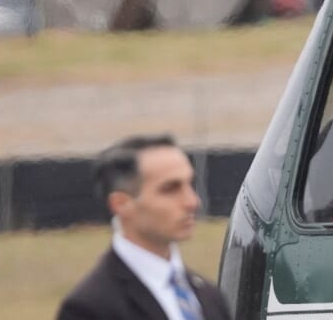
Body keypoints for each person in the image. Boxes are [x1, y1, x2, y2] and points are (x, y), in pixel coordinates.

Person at [57, 134, 232, 320]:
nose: (192, 202)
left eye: (190, 185)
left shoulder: (209, 298)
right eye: (170, 189)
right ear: (121, 204)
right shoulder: (90, 308)